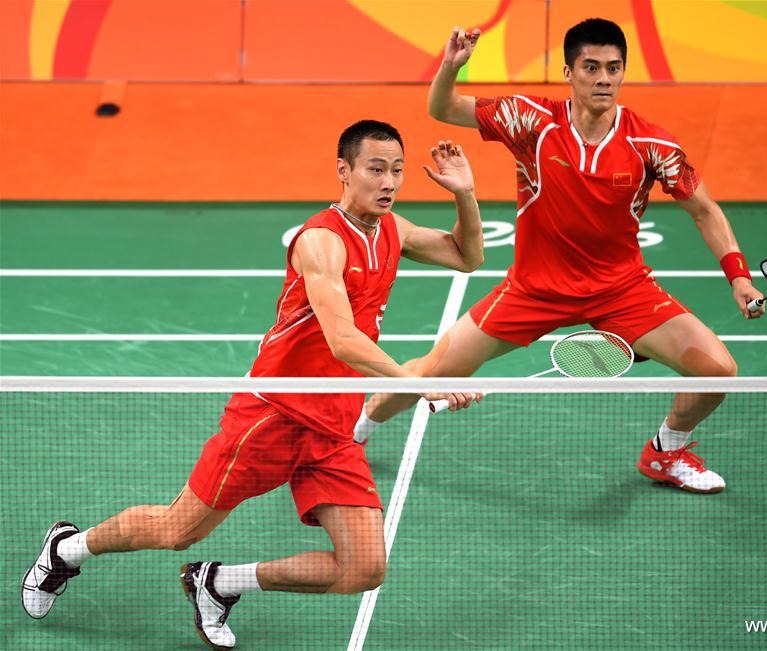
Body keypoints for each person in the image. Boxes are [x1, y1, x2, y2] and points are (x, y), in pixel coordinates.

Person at [21, 120, 484, 649]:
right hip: (275, 413)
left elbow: (467, 256)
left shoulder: (393, 231)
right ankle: (67, 550)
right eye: (376, 169)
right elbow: (342, 339)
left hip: (332, 424)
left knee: (363, 567)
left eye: (397, 171)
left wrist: (466, 195)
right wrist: (421, 382)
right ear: (344, 171)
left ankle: (217, 583)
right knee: (179, 530)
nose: (389, 182)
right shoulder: (321, 242)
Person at [356, 19, 766, 494]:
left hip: (622, 290)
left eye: (613, 68)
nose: (603, 79)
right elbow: (443, 107)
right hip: (533, 289)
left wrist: (738, 276)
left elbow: (705, 210)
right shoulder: (532, 121)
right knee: (429, 371)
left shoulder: (651, 144)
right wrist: (451, 66)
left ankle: (666, 451)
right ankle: (358, 428)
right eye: (591, 67)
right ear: (568, 71)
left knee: (719, 370)